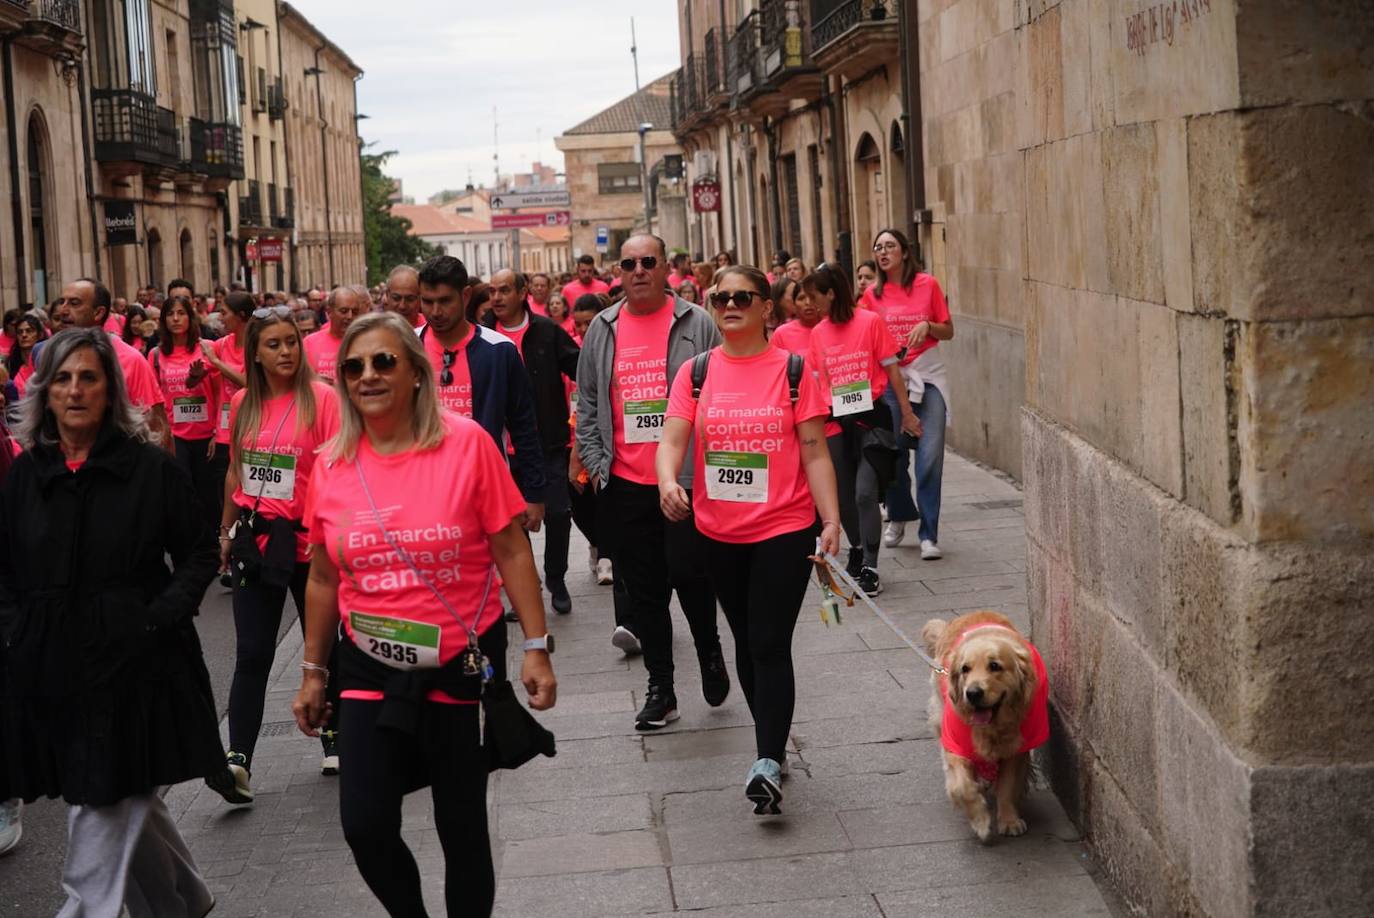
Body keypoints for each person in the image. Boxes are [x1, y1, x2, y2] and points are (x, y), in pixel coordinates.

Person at [290, 312, 557, 918]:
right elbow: (325, 575)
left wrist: (536, 645)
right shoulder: (331, 463)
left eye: (384, 361)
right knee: (364, 824)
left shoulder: (467, 444)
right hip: (367, 662)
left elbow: (511, 548)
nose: (368, 376)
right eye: (354, 367)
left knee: (459, 825)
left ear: (416, 372)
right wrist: (313, 670)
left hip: (458, 659)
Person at [0, 328, 221, 916]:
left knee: (99, 797)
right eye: (62, 379)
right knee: (111, 788)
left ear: (110, 391)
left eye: (88, 378)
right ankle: (182, 899)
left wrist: (158, 616)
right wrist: (14, 630)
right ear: (44, 393)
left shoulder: (149, 468)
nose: (75, 391)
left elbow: (200, 553)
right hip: (52, 663)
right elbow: (5, 566)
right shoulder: (27, 476)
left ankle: (84, 907)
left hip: (138, 662)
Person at [657, 266, 841, 813]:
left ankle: (765, 761)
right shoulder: (695, 373)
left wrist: (830, 520)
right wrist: (668, 480)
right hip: (718, 532)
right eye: (720, 297)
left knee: (767, 642)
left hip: (784, 527)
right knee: (743, 640)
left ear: (766, 307)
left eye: (742, 297)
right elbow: (671, 440)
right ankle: (773, 741)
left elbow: (813, 451)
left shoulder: (791, 370)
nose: (729, 304)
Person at [576, 233, 729, 730]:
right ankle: (661, 688)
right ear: (616, 272)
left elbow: (720, 392)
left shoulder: (696, 322)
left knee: (692, 575)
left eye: (648, 262)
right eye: (628, 264)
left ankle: (708, 649)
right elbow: (589, 401)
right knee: (645, 592)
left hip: (684, 480)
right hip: (625, 482)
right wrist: (599, 467)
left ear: (665, 267)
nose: (638, 270)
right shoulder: (603, 327)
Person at [207, 305, 343, 804]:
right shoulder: (242, 402)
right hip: (255, 540)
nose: (286, 351)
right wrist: (225, 530)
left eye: (292, 341)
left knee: (322, 645)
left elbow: (338, 470)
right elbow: (234, 471)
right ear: (256, 353)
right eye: (274, 344)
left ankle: (334, 734)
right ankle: (237, 761)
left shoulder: (323, 400)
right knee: (252, 654)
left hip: (310, 543)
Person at [805, 263, 920, 596]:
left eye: (816, 297)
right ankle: (857, 548)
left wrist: (908, 414)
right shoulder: (818, 333)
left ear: (831, 293)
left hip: (872, 418)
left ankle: (870, 566)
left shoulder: (870, 322)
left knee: (865, 492)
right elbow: (815, 382)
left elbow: (892, 371)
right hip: (834, 421)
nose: (812, 305)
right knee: (842, 498)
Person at [414, 256, 547, 536]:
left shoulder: (499, 350)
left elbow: (523, 424)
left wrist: (534, 493)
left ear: (465, 296)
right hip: (421, 491)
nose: (435, 311)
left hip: (487, 490)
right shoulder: (405, 347)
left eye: (444, 301)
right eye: (427, 302)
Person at [483, 269, 582, 615]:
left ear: (523, 292)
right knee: (510, 522)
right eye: (492, 291)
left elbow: (580, 368)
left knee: (557, 512)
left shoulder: (546, 331)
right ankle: (526, 583)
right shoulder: (481, 333)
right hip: (498, 450)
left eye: (505, 290)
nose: (497, 298)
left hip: (547, 443)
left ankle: (556, 577)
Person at [863, 229, 954, 560]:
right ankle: (900, 514)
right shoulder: (871, 295)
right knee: (894, 455)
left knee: (930, 456)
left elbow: (949, 330)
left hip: (928, 376)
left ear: (904, 251)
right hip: (891, 380)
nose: (883, 251)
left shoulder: (927, 284)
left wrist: (928, 326)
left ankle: (929, 533)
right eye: (878, 247)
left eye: (890, 246)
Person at [44, 279, 169, 448]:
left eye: (74, 303)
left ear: (98, 313)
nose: (63, 310)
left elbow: (157, 430)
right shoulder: (49, 356)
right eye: (62, 302)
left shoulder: (131, 360)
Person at [149, 295, 221, 535]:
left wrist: (216, 433)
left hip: (206, 434)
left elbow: (221, 393)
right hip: (175, 435)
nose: (176, 319)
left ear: (191, 318)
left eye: (181, 313)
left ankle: (215, 547)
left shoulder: (206, 349)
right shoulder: (156, 355)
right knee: (182, 492)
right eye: (170, 314)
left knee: (209, 497)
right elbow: (153, 398)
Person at [568, 294, 614, 586]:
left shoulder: (611, 348)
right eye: (579, 324)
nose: (584, 329)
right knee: (579, 505)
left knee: (605, 502)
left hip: (605, 437)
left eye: (589, 323)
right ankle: (597, 544)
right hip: (573, 437)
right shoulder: (569, 349)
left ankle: (608, 556)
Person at [304, 284, 367, 382]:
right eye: (344, 311)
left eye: (354, 312)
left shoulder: (366, 341)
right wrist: (315, 381)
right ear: (329, 312)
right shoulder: (309, 342)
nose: (350, 316)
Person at [769, 280, 826, 356]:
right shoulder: (781, 334)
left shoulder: (833, 326)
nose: (808, 302)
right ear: (794, 303)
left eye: (812, 297)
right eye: (801, 298)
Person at [6, 313, 47, 398]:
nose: (24, 335)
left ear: (40, 335)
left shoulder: (48, 360)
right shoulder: (11, 364)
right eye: (20, 332)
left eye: (29, 331)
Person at [385, 265, 426, 334]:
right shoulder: (375, 330)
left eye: (410, 299)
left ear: (420, 298)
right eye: (396, 298)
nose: (402, 306)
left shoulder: (430, 328)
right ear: (387, 295)